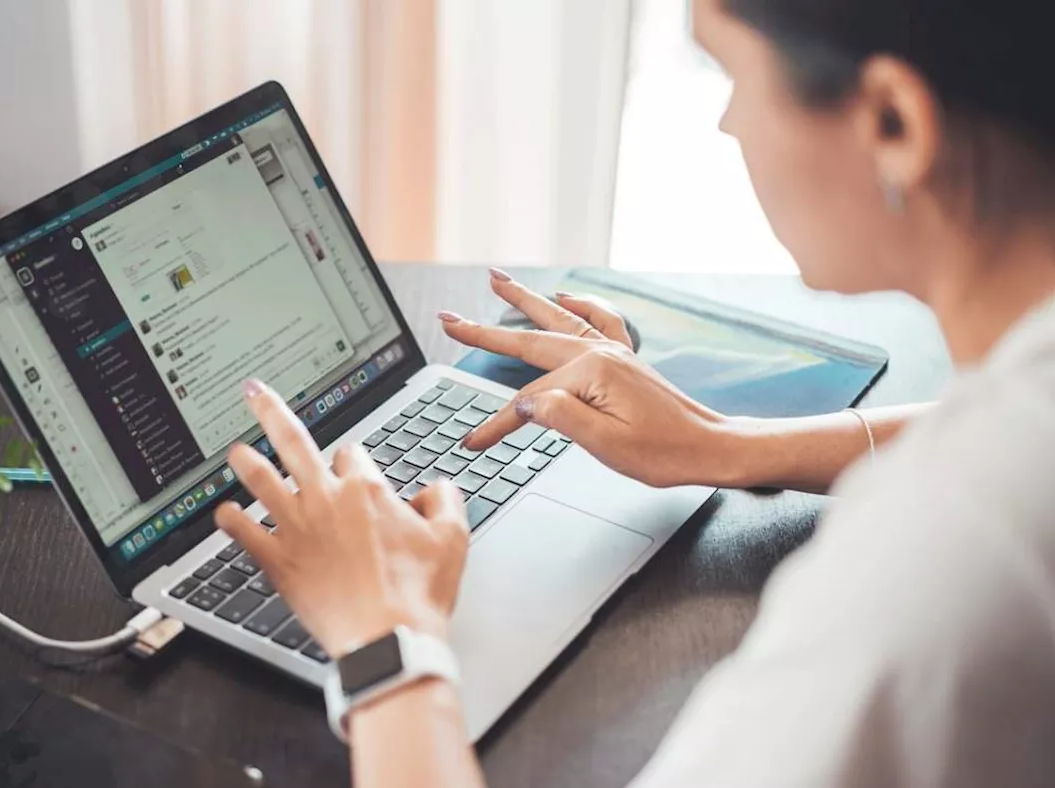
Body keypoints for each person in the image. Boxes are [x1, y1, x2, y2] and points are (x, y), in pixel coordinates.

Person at [215, 0, 1055, 785]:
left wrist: (383, 642)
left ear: (894, 123)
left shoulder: (934, 570)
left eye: (733, 75)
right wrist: (726, 443)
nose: (727, 122)